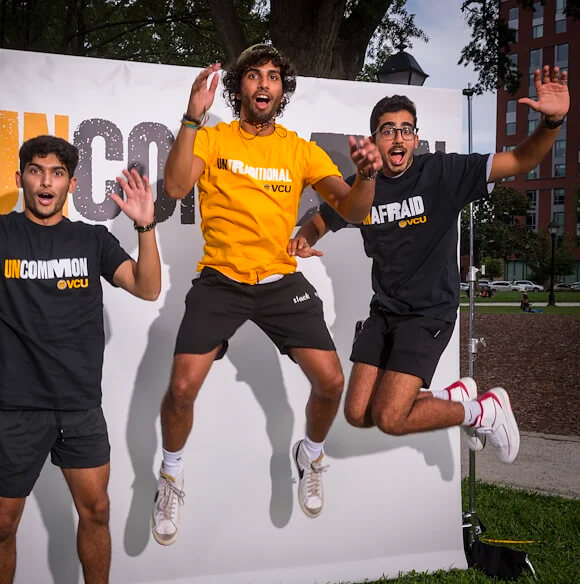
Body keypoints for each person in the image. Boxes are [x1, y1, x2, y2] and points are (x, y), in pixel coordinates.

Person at [0, 135, 161, 584]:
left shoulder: (91, 240)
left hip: (80, 407)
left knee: (96, 512)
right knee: (1, 527)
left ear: (71, 184)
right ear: (21, 178)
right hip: (16, 408)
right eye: (36, 170)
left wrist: (146, 227)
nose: (46, 182)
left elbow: (147, 287)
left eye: (57, 173)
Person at [152, 44, 382, 545]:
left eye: (274, 76)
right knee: (183, 386)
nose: (263, 84)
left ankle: (311, 454)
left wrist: (365, 175)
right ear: (239, 88)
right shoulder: (213, 138)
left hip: (279, 281)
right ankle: (170, 475)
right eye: (254, 76)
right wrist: (191, 118)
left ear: (282, 90)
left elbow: (356, 210)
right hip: (221, 279)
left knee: (330, 382)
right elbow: (172, 188)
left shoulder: (299, 149)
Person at [290, 65, 569, 464]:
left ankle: (483, 410)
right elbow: (323, 218)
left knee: (389, 416)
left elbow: (521, 161)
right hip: (384, 311)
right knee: (357, 413)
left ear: (416, 138)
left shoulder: (442, 172)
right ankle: (454, 398)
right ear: (375, 140)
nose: (398, 137)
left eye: (406, 129)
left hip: (428, 311)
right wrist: (306, 238)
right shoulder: (363, 185)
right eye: (388, 130)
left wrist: (552, 121)